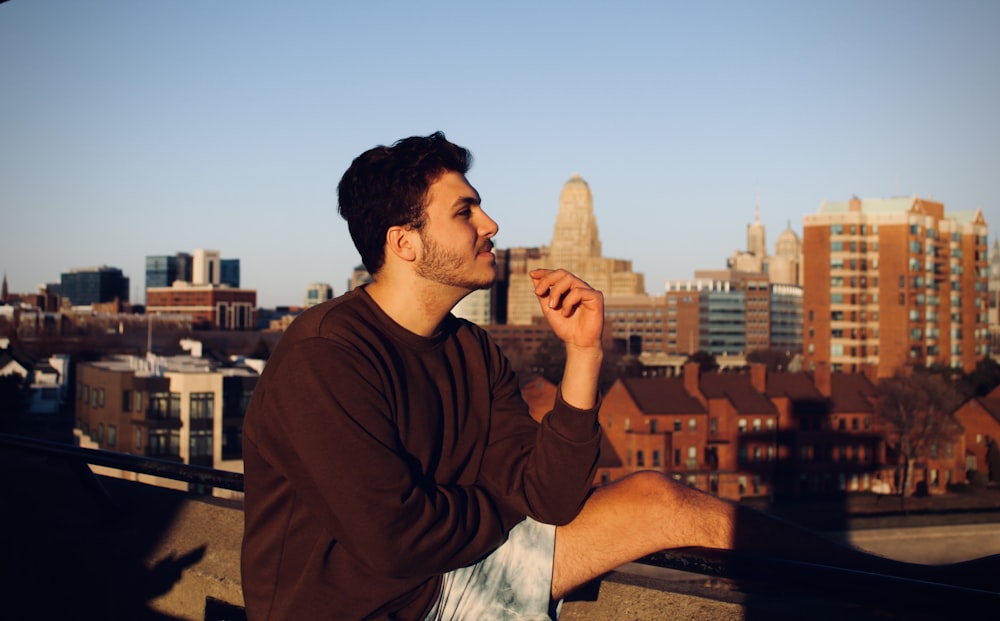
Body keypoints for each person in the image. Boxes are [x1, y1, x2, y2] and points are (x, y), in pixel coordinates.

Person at [241, 132, 993, 620]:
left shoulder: (468, 349)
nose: (492, 224)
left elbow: (553, 493)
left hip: (450, 577)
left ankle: (917, 592)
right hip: (374, 608)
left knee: (656, 498)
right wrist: (505, 504)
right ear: (404, 242)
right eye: (465, 210)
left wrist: (584, 353)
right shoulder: (325, 358)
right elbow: (395, 538)